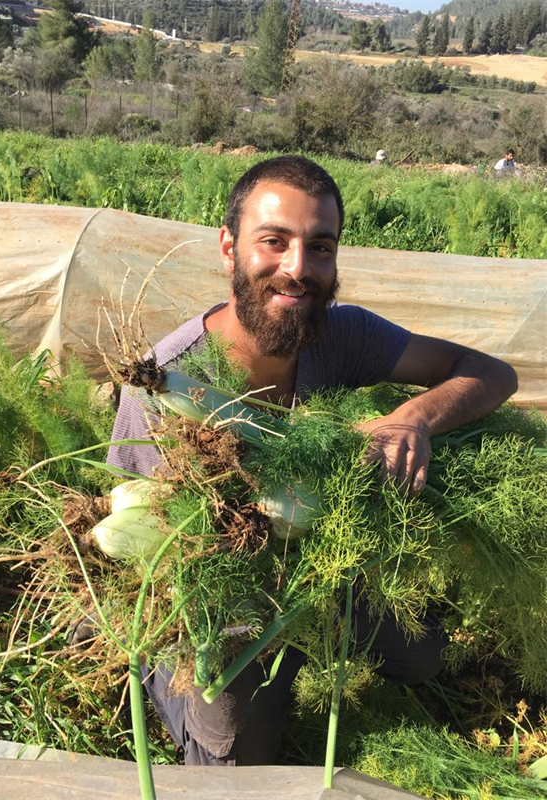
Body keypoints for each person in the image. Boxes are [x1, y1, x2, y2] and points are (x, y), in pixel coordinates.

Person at [107, 156, 517, 766]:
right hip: (217, 596)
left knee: (423, 654)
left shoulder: (342, 335)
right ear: (229, 248)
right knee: (237, 754)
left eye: (319, 247)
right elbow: (143, 554)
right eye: (274, 242)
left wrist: (414, 418)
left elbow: (492, 372)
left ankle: (310, 643)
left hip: (323, 570)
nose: (297, 269)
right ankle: (150, 678)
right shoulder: (168, 386)